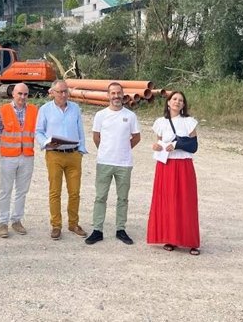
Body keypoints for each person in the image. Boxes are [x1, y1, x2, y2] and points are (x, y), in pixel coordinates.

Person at [86, 82, 141, 245]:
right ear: (108, 95)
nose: (116, 96)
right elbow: (96, 137)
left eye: (119, 93)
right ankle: (97, 230)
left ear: (123, 95)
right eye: (113, 93)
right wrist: (105, 149)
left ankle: (120, 229)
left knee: (123, 198)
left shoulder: (130, 116)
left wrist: (124, 148)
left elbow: (136, 137)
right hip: (104, 162)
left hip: (124, 163)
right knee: (100, 196)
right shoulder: (100, 115)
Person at [147, 90, 201, 255]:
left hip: (183, 165)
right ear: (168, 102)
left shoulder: (189, 122)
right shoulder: (160, 122)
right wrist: (156, 146)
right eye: (174, 99)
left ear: (183, 105)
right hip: (166, 165)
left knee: (186, 202)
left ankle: (191, 241)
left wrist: (177, 145)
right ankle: (171, 238)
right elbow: (159, 142)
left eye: (181, 100)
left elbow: (193, 146)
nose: (177, 102)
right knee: (168, 202)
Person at [36, 79, 87, 240]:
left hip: (73, 155)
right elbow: (38, 131)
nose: (64, 94)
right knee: (55, 192)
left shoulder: (75, 108)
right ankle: (56, 225)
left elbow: (80, 131)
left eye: (66, 91)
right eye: (60, 92)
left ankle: (73, 223)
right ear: (52, 93)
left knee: (74, 192)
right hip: (54, 155)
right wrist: (46, 143)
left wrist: (80, 150)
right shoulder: (45, 109)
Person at [0, 82, 38, 238]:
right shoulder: (4, 110)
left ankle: (17, 220)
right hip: (8, 157)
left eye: (25, 94)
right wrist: (10, 147)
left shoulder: (34, 110)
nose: (22, 97)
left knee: (22, 191)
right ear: (13, 93)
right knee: (5, 190)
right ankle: (3, 223)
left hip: (27, 156)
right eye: (20, 94)